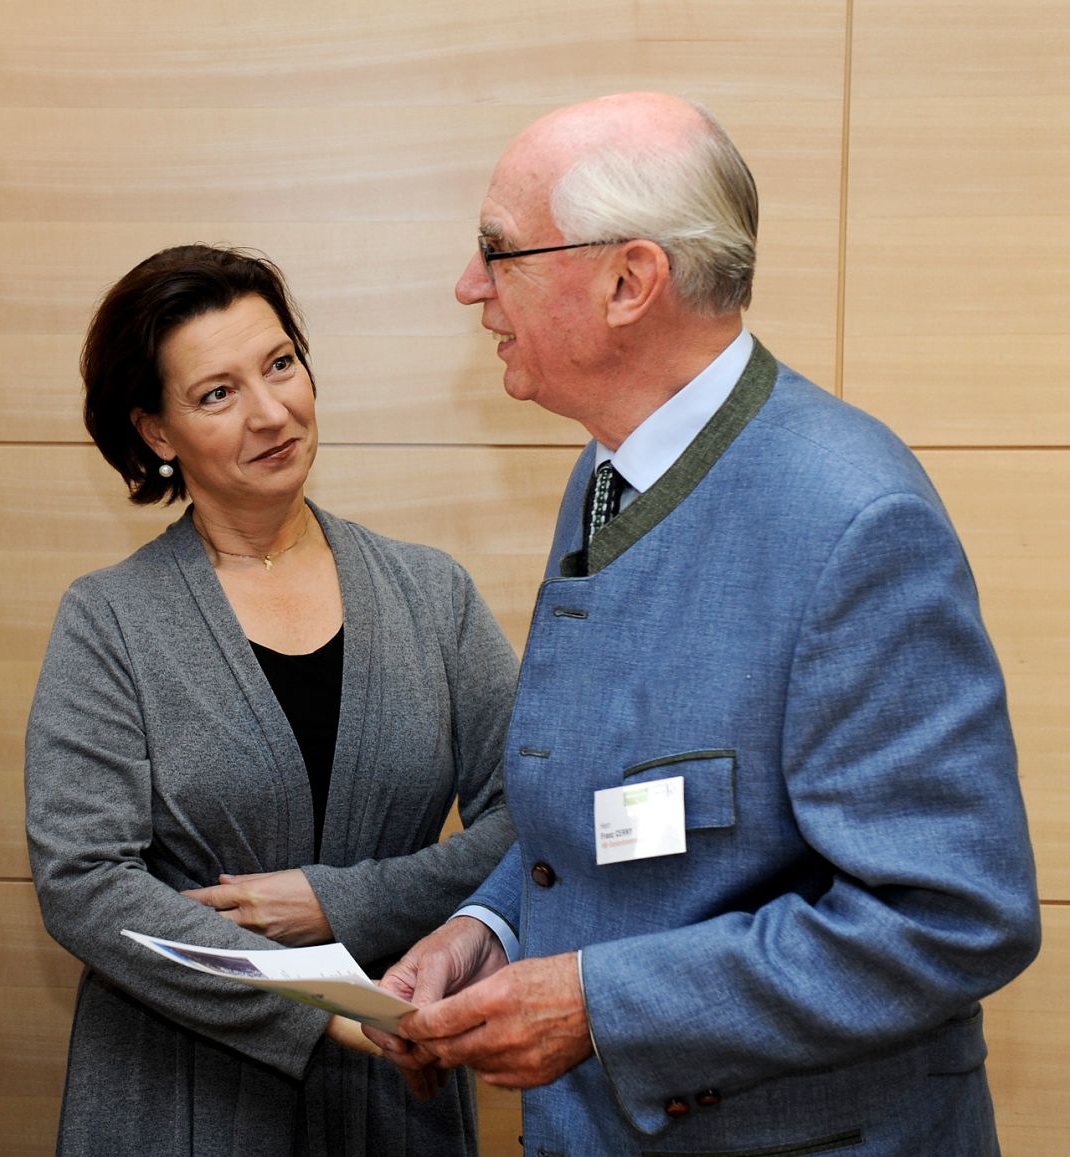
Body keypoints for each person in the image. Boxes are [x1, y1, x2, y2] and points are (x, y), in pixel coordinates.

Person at [364, 93, 1042, 1154]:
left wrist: (598, 1004)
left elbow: (953, 915)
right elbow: (624, 803)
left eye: (497, 250)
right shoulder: (611, 466)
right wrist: (487, 924)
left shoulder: (852, 521)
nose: (469, 286)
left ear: (628, 282)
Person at [24, 244, 518, 1156]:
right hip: (179, 1094)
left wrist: (346, 901)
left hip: (400, 1082)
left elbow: (530, 818)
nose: (270, 411)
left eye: (280, 364)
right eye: (218, 393)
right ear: (157, 432)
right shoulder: (110, 618)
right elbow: (83, 881)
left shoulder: (432, 593)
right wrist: (327, 1006)